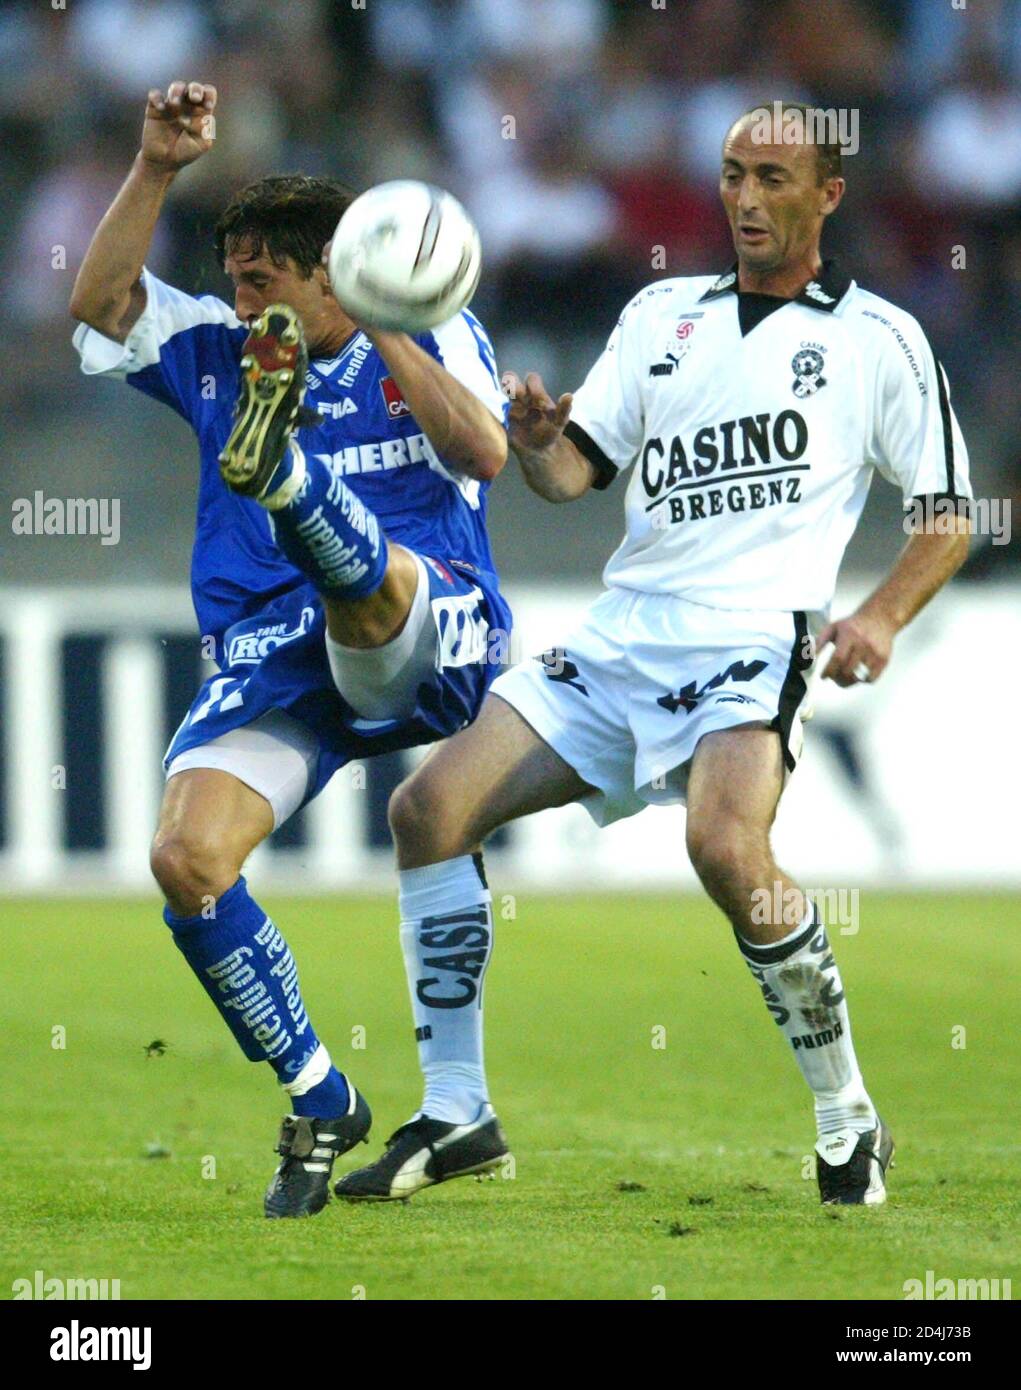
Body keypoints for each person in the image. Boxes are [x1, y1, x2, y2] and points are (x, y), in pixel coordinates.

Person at [338, 102, 973, 1207]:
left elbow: (950, 512)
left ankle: (846, 1115)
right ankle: (455, 1115)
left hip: (749, 638)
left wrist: (876, 617)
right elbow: (573, 473)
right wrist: (538, 442)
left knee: (724, 848)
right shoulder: (659, 313)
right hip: (623, 637)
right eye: (730, 173)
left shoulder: (878, 338)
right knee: (426, 811)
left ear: (827, 195)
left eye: (772, 177)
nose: (743, 198)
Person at [70, 80, 512, 1218]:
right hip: (273, 657)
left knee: (373, 593)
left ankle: (287, 477)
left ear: (332, 273)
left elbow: (484, 450)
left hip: (429, 618)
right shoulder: (219, 350)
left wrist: (387, 324)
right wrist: (156, 165)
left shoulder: (428, 323)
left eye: (262, 276)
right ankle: (320, 1094)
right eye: (231, 273)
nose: (238, 291)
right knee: (186, 859)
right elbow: (102, 301)